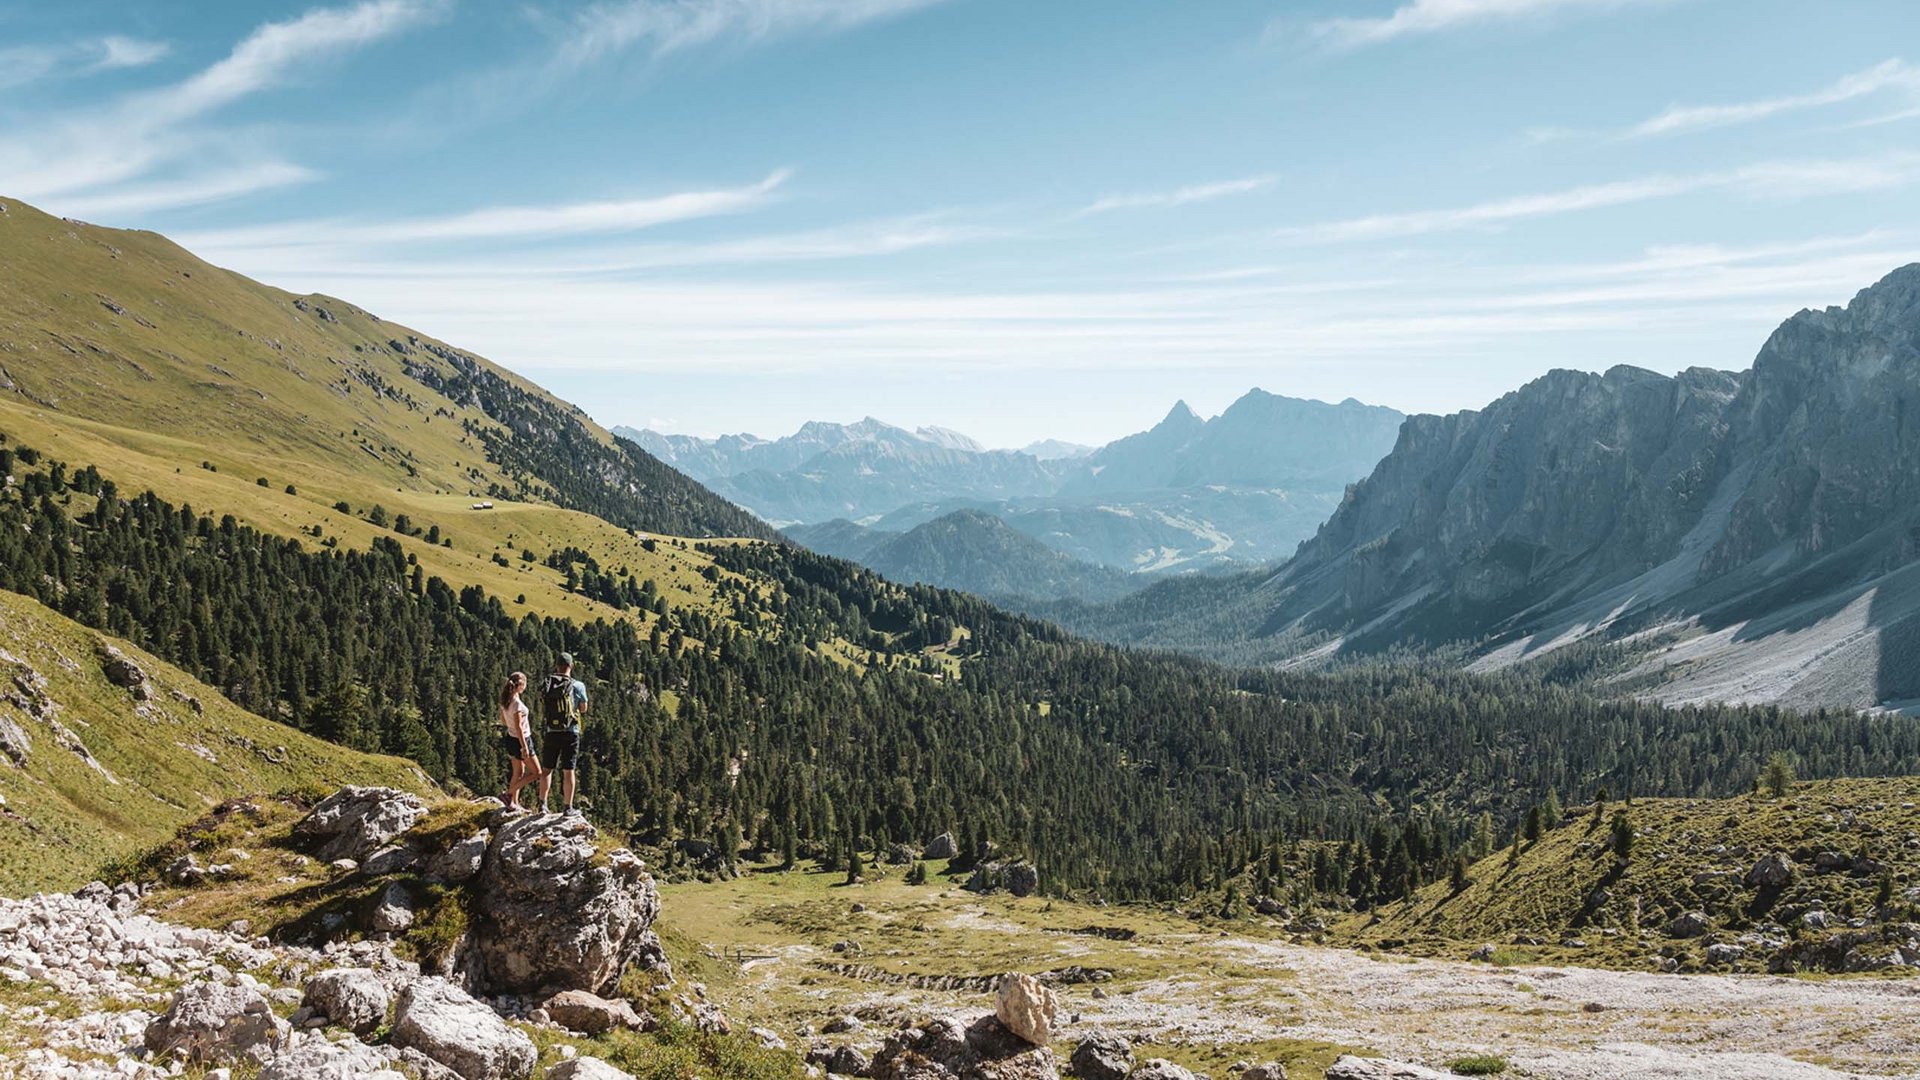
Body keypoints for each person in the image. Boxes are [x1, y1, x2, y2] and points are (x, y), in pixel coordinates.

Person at [537, 651, 589, 816]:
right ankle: (568, 807)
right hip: (570, 731)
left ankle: (542, 805)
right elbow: (583, 708)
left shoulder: (548, 683)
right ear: (571, 666)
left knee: (547, 769)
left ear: (556, 666)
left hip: (552, 730)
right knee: (569, 770)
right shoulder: (577, 685)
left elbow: (542, 701)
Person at [496, 671, 541, 811]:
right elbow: (519, 727)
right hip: (522, 740)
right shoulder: (517, 704)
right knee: (537, 772)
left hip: (510, 738)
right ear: (520, 685)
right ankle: (508, 795)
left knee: (518, 772)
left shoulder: (506, 700)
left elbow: (503, 721)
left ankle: (513, 803)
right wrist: (524, 747)